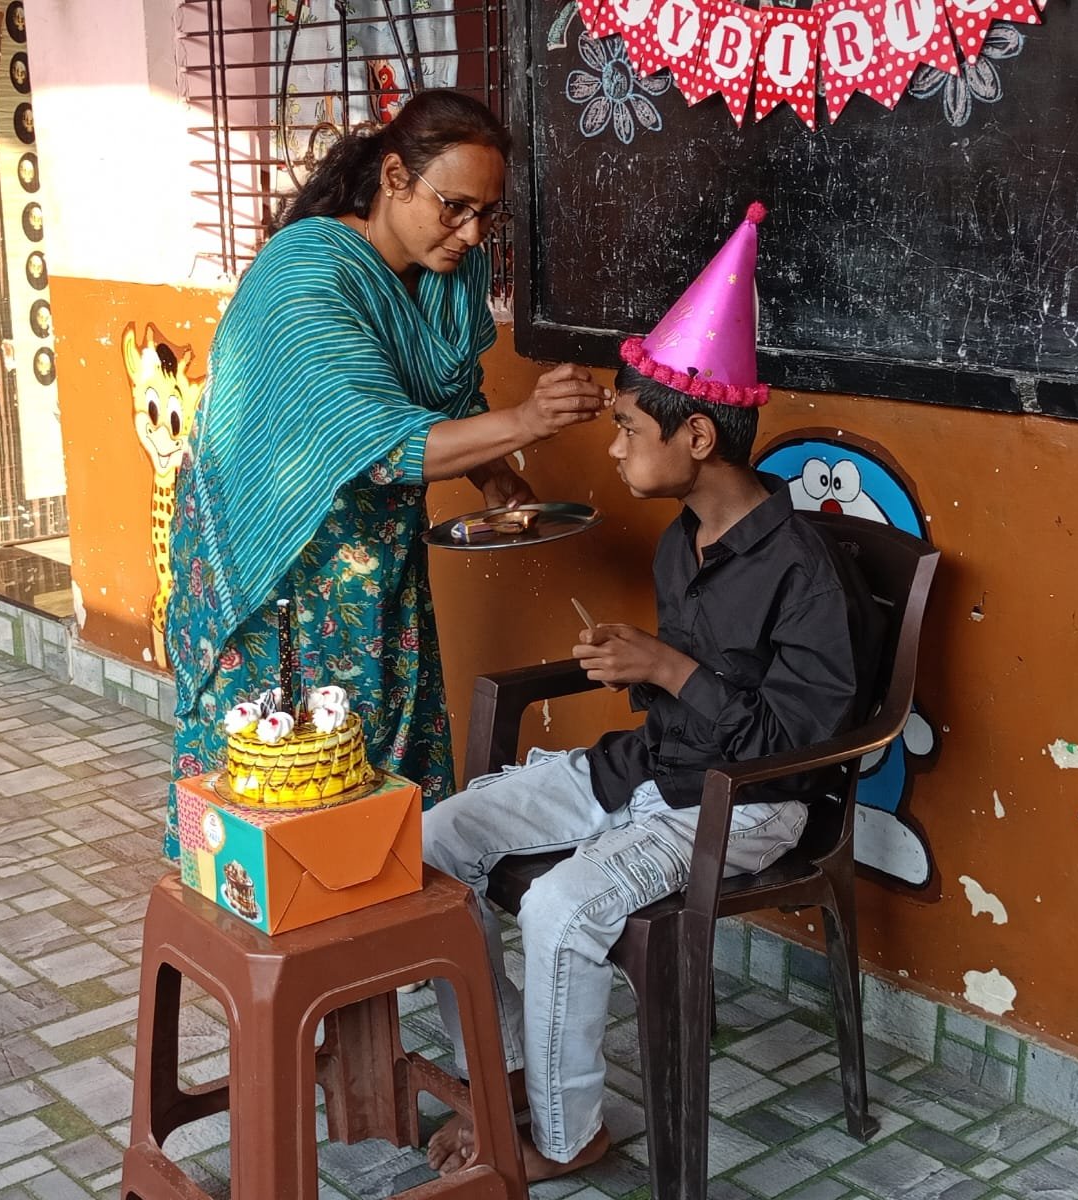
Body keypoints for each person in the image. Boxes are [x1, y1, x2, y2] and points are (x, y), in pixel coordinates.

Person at [421, 204, 882, 1181]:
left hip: (745, 805)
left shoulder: (802, 571)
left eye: (629, 430)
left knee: (559, 909)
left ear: (698, 435)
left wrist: (669, 670)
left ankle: (568, 1133)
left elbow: (797, 738)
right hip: (648, 769)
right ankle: (508, 1073)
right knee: (432, 842)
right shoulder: (684, 541)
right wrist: (638, 666)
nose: (615, 448)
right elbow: (683, 691)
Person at [162, 90, 609, 860]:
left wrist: (494, 476)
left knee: (385, 766)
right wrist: (527, 423)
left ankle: (382, 918)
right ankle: (279, 924)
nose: (471, 234)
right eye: (454, 208)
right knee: (291, 781)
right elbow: (378, 443)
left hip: (382, 560)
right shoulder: (306, 277)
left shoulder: (446, 275)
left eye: (488, 215)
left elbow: (447, 394)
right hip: (288, 571)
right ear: (395, 177)